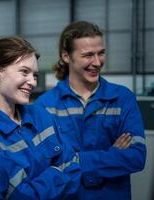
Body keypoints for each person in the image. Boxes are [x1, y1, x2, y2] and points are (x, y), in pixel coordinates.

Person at [35, 21, 146, 199]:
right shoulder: (45, 106)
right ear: (66, 56)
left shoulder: (123, 98)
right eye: (87, 55)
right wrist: (112, 155)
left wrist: (79, 161)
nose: (96, 62)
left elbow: (136, 157)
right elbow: (47, 166)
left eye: (101, 53)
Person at [0, 36, 81, 199]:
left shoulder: (41, 115)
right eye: (24, 72)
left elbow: (74, 167)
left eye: (34, 75)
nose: (32, 82)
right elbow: (11, 195)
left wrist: (37, 185)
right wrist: (55, 172)